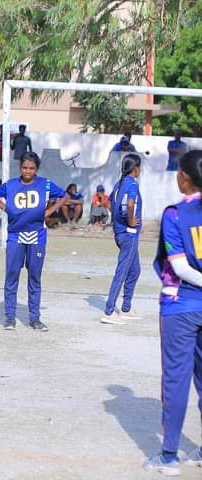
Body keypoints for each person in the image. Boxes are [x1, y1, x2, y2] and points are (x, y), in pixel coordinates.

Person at [144, 150, 202, 475]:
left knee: (176, 381)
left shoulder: (176, 214)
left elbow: (179, 267)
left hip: (181, 304)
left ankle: (169, 456)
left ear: (184, 177)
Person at [0, 152, 67, 331]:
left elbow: (65, 196)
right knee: (12, 276)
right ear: (20, 168)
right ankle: (10, 317)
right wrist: (5, 207)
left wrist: (49, 211)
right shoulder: (11, 185)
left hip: (37, 236)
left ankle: (35, 318)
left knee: (34, 278)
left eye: (31, 168)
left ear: (36, 169)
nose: (28, 171)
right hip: (15, 236)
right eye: (25, 167)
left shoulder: (45, 184)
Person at [100, 154, 143, 324]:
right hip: (128, 234)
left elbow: (108, 202)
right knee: (122, 272)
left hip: (120, 233)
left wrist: (117, 219)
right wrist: (130, 220)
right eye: (140, 167)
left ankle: (126, 308)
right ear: (135, 168)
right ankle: (109, 311)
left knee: (135, 270)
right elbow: (130, 204)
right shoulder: (132, 184)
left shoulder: (119, 184)